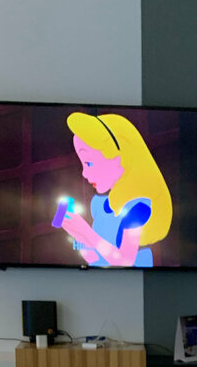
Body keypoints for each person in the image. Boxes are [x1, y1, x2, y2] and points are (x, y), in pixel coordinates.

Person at [57, 112, 172, 268]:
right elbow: (94, 258)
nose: (84, 173)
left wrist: (85, 231)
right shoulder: (99, 205)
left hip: (137, 280)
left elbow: (125, 261)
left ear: (120, 156)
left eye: (89, 163)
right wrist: (77, 233)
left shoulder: (138, 208)